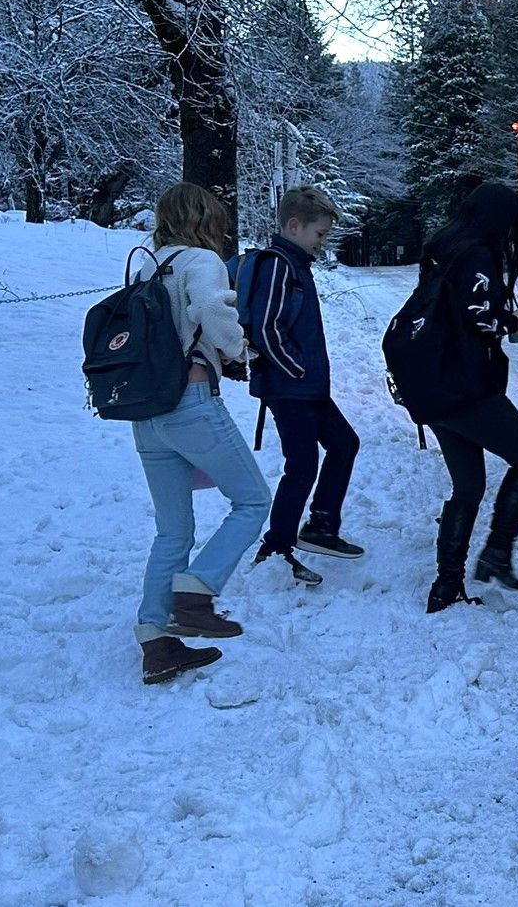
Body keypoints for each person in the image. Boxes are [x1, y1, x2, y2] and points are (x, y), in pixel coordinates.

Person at [129, 183, 271, 685]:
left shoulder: (148, 265)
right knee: (253, 501)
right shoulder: (201, 261)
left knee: (172, 530)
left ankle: (156, 640)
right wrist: (238, 348)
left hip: (147, 413)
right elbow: (212, 310)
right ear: (205, 219)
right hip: (191, 403)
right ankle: (195, 593)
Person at [419, 182, 518, 612]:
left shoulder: (442, 248)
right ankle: (497, 551)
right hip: (465, 387)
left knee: (468, 486)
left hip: (433, 385)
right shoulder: (476, 256)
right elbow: (479, 318)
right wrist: (514, 321)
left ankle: (446, 585)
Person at [246, 186, 362, 586]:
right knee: (302, 466)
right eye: (320, 234)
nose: (323, 241)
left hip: (306, 387)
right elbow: (266, 328)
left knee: (344, 444)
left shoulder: (297, 265)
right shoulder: (279, 266)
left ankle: (321, 526)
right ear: (294, 226)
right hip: (289, 387)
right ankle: (276, 548)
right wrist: (297, 368)